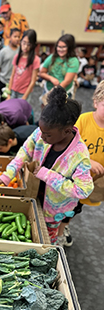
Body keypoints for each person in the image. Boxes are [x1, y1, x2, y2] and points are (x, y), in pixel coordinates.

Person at [0, 86, 93, 244]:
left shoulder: (79, 156)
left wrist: (46, 174)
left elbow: (83, 190)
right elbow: (25, 151)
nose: (42, 136)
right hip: (32, 194)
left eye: (47, 134)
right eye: (41, 131)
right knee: (27, 232)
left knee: (45, 240)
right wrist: (9, 173)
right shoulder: (40, 134)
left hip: (54, 210)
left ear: (67, 131)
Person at [57, 80, 104, 247]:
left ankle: (64, 227)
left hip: (91, 183)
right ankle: (59, 233)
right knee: (65, 207)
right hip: (72, 178)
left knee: (76, 209)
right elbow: (69, 146)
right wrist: (88, 161)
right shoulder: (83, 121)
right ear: (96, 102)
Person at [7, 29, 40, 101]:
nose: (25, 46)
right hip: (13, 90)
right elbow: (12, 75)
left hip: (23, 93)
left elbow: (33, 81)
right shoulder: (17, 56)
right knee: (11, 111)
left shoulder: (35, 60)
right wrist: (8, 93)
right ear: (21, 42)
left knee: (22, 111)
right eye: (24, 43)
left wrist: (25, 97)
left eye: (29, 44)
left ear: (33, 45)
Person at [0, 28, 20, 99]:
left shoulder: (21, 51)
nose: (17, 39)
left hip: (16, 82)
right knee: (4, 104)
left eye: (18, 37)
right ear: (10, 37)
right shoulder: (3, 51)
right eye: (15, 36)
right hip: (4, 82)